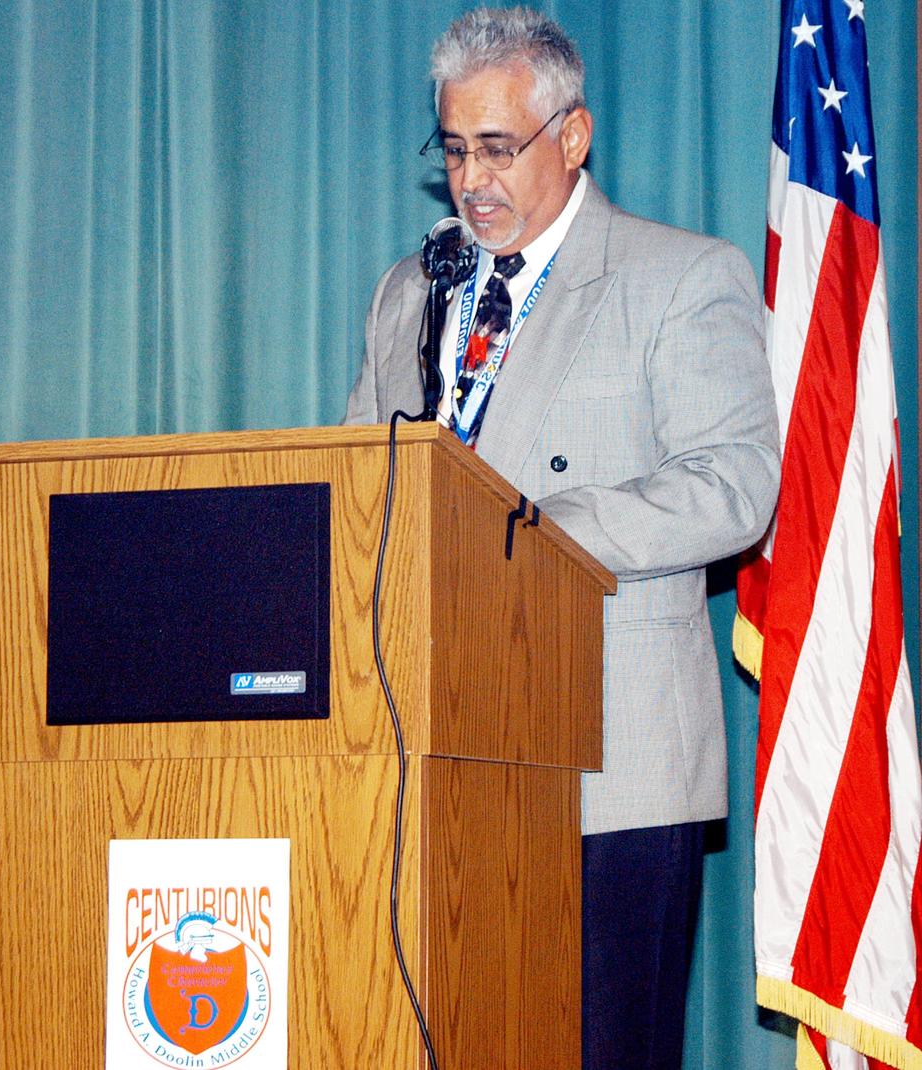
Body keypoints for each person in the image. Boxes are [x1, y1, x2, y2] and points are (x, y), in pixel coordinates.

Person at [343, 8, 780, 1068]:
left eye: (498, 147)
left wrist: (525, 529)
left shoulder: (679, 276)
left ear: (572, 136)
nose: (470, 178)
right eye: (452, 149)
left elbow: (734, 488)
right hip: (428, 759)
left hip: (607, 764)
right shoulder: (411, 290)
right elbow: (360, 485)